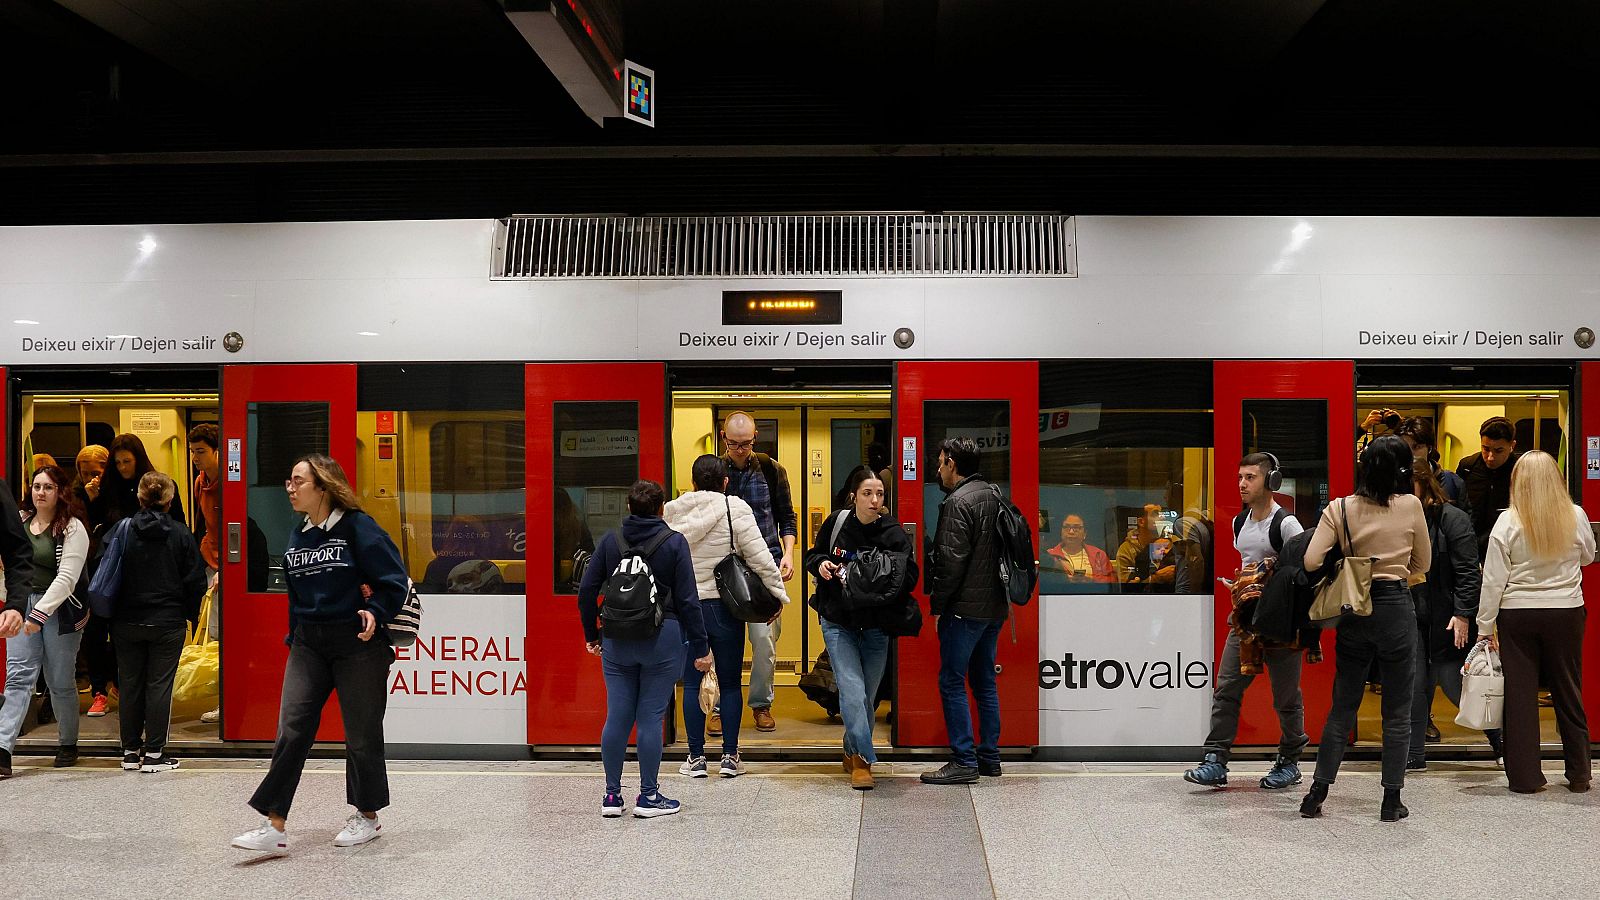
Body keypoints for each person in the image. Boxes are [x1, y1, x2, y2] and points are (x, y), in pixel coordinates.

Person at [231, 454, 408, 854]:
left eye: (298, 481)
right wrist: (295, 635)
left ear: (323, 486)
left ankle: (367, 815)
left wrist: (374, 612)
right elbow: (297, 593)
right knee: (292, 728)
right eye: (289, 481)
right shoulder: (300, 533)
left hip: (356, 644)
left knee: (361, 733)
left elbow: (394, 581)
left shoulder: (358, 528)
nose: (289, 488)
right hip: (309, 643)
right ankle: (274, 823)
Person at [1299, 436, 1429, 823]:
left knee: (1343, 705)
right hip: (1394, 609)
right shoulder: (1411, 506)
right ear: (1402, 471)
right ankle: (1391, 800)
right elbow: (1423, 561)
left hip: (1355, 607)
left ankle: (1317, 792)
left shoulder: (1339, 508)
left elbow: (1309, 562)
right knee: (1397, 709)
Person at [577, 480, 710, 818]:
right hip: (661, 638)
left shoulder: (610, 540)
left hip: (617, 639)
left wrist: (592, 634)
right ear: (662, 509)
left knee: (618, 716)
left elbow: (586, 591)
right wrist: (701, 647)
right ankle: (648, 797)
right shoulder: (674, 542)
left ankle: (611, 797)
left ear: (628, 507)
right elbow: (688, 600)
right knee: (650, 716)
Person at [1184, 453, 1310, 790]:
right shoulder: (1239, 523)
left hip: (1281, 622)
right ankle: (1215, 759)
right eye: (1240, 477)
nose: (1242, 484)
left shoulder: (1286, 524)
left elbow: (1300, 572)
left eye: (1251, 477)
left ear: (1271, 482)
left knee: (1285, 697)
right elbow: (1250, 562)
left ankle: (1290, 760)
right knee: (1226, 688)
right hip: (1245, 619)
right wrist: (1242, 582)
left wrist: (1267, 581)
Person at [1477, 451, 1595, 794]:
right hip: (1566, 611)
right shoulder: (1575, 515)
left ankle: (1526, 778)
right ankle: (1579, 774)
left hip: (1518, 614)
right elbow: (1588, 555)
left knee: (1520, 695)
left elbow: (1494, 580)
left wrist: (1485, 626)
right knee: (1567, 689)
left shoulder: (1507, 521)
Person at [664, 455, 785, 779]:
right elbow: (760, 558)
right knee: (730, 682)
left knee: (691, 683)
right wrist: (777, 596)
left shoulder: (674, 512)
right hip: (725, 608)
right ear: (725, 482)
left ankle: (695, 758)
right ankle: (730, 757)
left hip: (689, 607)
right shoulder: (734, 509)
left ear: (693, 483)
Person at [807, 466, 918, 789]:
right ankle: (863, 761)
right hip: (838, 620)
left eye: (880, 494)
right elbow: (814, 556)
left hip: (876, 624)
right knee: (852, 690)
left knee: (867, 697)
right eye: (868, 493)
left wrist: (885, 573)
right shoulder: (837, 523)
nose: (874, 500)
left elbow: (910, 577)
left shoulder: (893, 532)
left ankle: (850, 749)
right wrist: (822, 564)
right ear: (854, 495)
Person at [921, 437, 1007, 785]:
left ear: (952, 464)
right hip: (993, 609)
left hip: (964, 611)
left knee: (952, 681)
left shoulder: (957, 502)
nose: (938, 469)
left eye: (941, 462)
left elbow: (950, 563)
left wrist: (938, 606)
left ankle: (963, 759)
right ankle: (990, 758)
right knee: (985, 682)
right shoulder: (993, 494)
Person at [1407, 461, 1501, 770]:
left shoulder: (1452, 519)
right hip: (1414, 615)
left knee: (1457, 684)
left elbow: (1468, 573)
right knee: (1415, 685)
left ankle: (1500, 742)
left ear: (1425, 487)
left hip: (1448, 616)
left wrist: (1463, 614)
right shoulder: (1402, 519)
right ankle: (1414, 755)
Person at [84, 434, 185, 718]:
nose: (122, 467)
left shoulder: (154, 487)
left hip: (145, 575)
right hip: (112, 569)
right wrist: (93, 500)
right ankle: (100, 690)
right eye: (117, 463)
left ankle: (121, 689)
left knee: (124, 639)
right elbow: (98, 528)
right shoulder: (107, 488)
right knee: (95, 631)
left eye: (127, 462)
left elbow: (177, 527)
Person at [113, 472, 207, 773]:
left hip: (126, 621)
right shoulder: (180, 534)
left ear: (139, 497)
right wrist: (188, 615)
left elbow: (103, 569)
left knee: (129, 685)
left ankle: (129, 751)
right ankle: (154, 753)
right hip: (167, 620)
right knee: (159, 686)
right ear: (169, 499)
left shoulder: (121, 530)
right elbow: (194, 581)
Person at [0, 466, 89, 776]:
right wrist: (12, 605)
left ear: (60, 492)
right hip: (23, 605)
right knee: (18, 678)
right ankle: (2, 748)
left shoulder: (73, 528)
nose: (40, 492)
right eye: (36, 486)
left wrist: (39, 615)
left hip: (60, 610)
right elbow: (10, 565)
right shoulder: (21, 521)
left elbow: (67, 579)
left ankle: (68, 742)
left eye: (48, 487)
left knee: (59, 680)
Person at [719, 411, 796, 735]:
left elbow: (786, 516)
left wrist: (789, 554)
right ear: (724, 439)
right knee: (723, 640)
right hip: (725, 566)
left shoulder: (770, 468)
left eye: (746, 443)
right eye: (734, 444)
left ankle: (761, 704)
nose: (740, 450)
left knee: (764, 641)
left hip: (766, 564)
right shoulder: (714, 470)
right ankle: (720, 705)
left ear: (755, 438)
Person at [187, 425, 224, 724]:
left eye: (200, 451)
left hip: (226, 566)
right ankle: (221, 698)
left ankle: (227, 699)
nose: (195, 458)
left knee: (223, 636)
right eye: (192, 452)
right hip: (210, 562)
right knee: (214, 636)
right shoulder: (201, 482)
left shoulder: (228, 481)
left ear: (216, 451)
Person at [1456, 416, 1521, 560]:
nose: (1490, 457)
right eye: (1485, 449)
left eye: (1498, 451)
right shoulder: (1467, 467)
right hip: (1470, 542)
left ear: (1512, 446)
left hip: (1508, 545)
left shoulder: (1521, 470)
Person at [1394, 417, 1468, 512]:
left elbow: (1462, 520)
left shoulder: (1452, 482)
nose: (1409, 454)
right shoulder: (1391, 481)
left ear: (1429, 448)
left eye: (1417, 447)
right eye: (1403, 447)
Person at [1045, 514, 1115, 584]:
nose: (1071, 532)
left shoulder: (1099, 555)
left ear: (1085, 533)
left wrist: (1091, 580)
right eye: (1066, 527)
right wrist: (1065, 580)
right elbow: (1044, 583)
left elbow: (1111, 583)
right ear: (1061, 532)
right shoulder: (1050, 556)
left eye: (1077, 527)